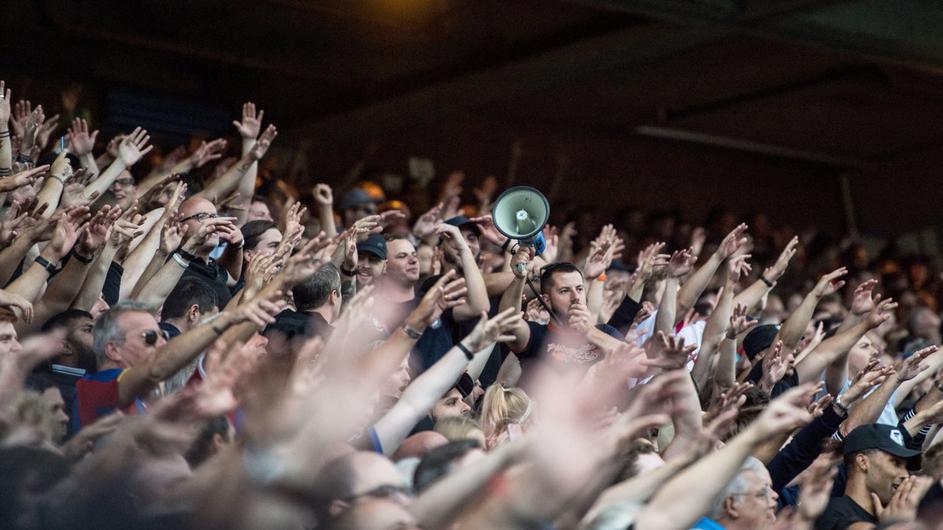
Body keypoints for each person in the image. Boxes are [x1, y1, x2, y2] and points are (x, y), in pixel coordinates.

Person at [816, 423, 921, 530]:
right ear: (862, 462)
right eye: (896, 463)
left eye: (906, 467)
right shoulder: (832, 511)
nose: (906, 475)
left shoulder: (893, 517)